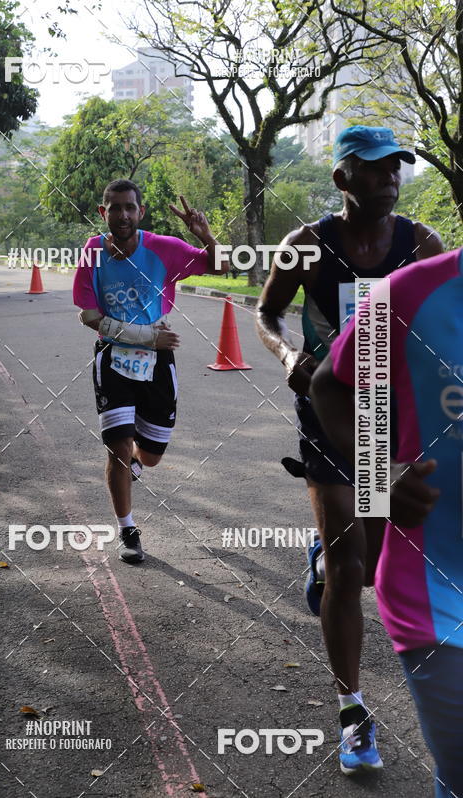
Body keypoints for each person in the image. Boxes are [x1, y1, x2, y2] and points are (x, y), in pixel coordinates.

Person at [255, 125, 443, 773]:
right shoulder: (306, 247)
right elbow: (267, 312)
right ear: (342, 178)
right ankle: (354, 716)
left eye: (397, 165)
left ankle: (323, 557)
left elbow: (444, 322)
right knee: (347, 560)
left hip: (392, 415)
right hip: (329, 409)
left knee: (372, 559)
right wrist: (286, 354)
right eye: (374, 167)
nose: (390, 176)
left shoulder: (422, 244)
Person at [310, 248, 463, 797]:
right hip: (438, 589)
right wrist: (380, 476)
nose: (386, 179)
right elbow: (329, 383)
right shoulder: (413, 292)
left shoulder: (414, 244)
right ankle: (337, 553)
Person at [73, 178, 229, 564]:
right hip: (112, 360)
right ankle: (127, 529)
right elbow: (89, 315)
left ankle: (138, 466)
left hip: (158, 365)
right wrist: (145, 337)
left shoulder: (164, 248)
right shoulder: (93, 252)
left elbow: (223, 265)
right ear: (103, 212)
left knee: (152, 454)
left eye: (130, 208)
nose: (122, 215)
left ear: (140, 212)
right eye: (115, 207)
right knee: (118, 447)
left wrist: (206, 234)